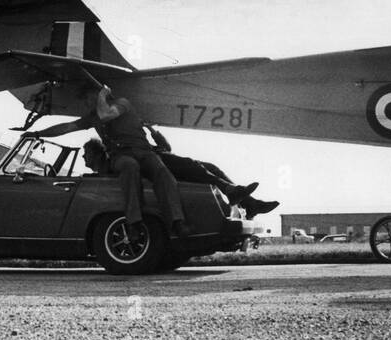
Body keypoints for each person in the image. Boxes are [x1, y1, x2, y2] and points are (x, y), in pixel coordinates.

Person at [64, 84, 189, 239]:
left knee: (162, 172)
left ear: (97, 95)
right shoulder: (92, 117)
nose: (86, 103)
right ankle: (134, 222)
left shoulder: (122, 103)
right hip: (120, 156)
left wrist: (102, 95)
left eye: (88, 98)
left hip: (143, 151)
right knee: (129, 166)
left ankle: (177, 221)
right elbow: (67, 127)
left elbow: (106, 115)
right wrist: (38, 133)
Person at [83, 132, 281, 219]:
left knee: (209, 166)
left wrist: (154, 133)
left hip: (161, 163)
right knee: (193, 166)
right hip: (162, 169)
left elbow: (165, 148)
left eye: (86, 153)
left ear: (97, 153)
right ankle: (236, 195)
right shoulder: (112, 166)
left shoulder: (118, 156)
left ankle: (249, 203)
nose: (84, 156)